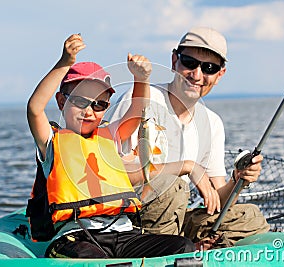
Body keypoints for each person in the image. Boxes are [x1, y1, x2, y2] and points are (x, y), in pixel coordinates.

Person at [26, 33, 195, 258]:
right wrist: (64, 63)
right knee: (92, 259)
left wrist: (141, 79)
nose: (89, 111)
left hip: (124, 233)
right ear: (61, 101)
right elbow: (35, 108)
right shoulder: (51, 140)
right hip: (78, 237)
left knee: (183, 247)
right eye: (79, 101)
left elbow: (136, 113)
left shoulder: (110, 136)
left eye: (99, 104)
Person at [107, 27, 270, 249]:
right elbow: (110, 174)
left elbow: (217, 202)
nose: (197, 75)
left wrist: (239, 179)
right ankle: (173, 249)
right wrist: (187, 166)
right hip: (131, 218)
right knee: (171, 186)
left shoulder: (212, 123)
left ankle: (193, 245)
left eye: (209, 68)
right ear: (174, 61)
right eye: (189, 63)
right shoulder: (141, 99)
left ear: (220, 75)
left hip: (178, 215)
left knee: (250, 216)